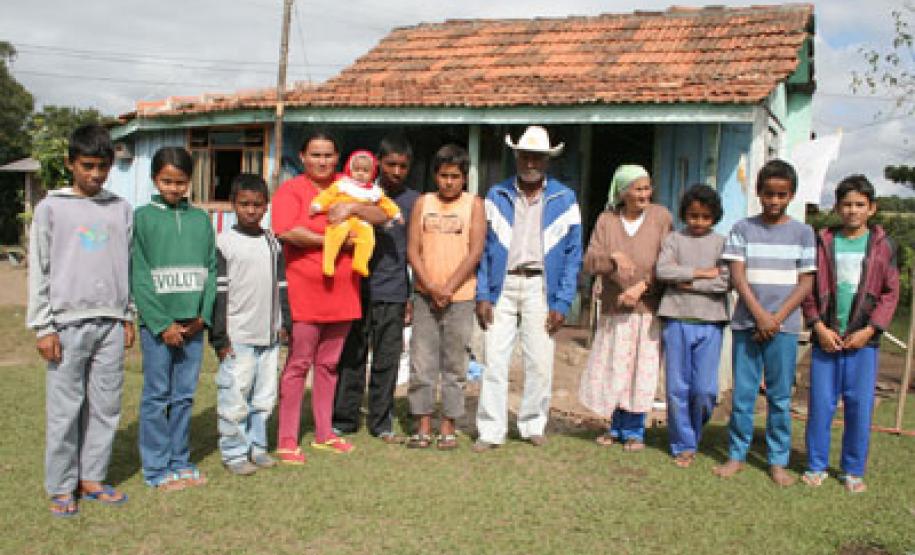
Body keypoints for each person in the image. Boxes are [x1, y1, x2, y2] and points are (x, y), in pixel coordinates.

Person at [27, 124, 133, 517]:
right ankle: (60, 484)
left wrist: (127, 314)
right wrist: (44, 326)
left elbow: (126, 263)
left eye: (102, 167)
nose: (95, 174)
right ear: (70, 163)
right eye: (87, 166)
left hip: (111, 322)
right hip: (66, 323)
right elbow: (39, 268)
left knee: (106, 405)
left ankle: (92, 477)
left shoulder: (120, 208)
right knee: (65, 408)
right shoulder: (51, 207)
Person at [272, 130, 388, 462]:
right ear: (303, 157)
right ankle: (287, 438)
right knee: (298, 363)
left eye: (328, 155)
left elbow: (382, 214)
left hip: (344, 289)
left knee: (329, 364)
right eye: (315, 155)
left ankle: (325, 432)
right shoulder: (291, 190)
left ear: (338, 158)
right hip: (305, 290)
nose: (322, 161)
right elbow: (287, 231)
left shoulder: (350, 184)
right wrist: (334, 241)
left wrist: (353, 207)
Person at [474, 126, 582, 451]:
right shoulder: (497, 195)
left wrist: (562, 302)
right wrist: (482, 294)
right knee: (494, 359)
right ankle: (491, 430)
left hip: (541, 286)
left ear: (547, 160)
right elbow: (481, 248)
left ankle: (533, 424)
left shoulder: (565, 199)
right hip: (502, 286)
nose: (531, 163)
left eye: (537, 157)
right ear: (516, 157)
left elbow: (573, 255)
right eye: (525, 156)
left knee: (540, 361)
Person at [714, 159, 815, 487]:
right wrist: (759, 315)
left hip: (784, 328)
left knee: (780, 397)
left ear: (791, 195)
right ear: (758, 193)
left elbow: (806, 282)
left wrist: (776, 318)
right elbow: (737, 276)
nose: (774, 200)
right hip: (747, 324)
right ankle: (737, 454)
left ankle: (777, 460)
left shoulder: (803, 233)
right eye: (769, 194)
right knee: (743, 394)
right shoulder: (742, 229)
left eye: (781, 195)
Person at [801, 175, 899, 493]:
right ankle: (816, 465)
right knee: (821, 404)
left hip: (863, 342)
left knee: (859, 406)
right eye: (846, 204)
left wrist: (870, 329)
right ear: (837, 207)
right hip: (826, 338)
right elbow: (808, 289)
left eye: (859, 204)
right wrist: (818, 326)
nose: (852, 210)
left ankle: (853, 470)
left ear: (872, 208)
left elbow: (890, 293)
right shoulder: (823, 242)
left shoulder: (884, 246)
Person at [132, 146, 216, 490]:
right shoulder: (142, 218)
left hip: (193, 326)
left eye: (180, 182)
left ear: (189, 181)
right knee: (157, 396)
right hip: (159, 328)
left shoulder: (200, 220)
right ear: (155, 179)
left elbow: (212, 269)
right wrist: (161, 323)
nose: (174, 188)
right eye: (167, 181)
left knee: (183, 396)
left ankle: (179, 460)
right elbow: (139, 274)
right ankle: (156, 468)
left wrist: (203, 316)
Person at [578, 165, 672, 451]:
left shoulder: (660, 217)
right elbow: (590, 261)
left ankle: (634, 430)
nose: (644, 194)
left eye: (647, 188)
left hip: (646, 309)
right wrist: (613, 258)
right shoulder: (606, 221)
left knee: (641, 370)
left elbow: (667, 260)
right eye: (638, 189)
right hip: (614, 309)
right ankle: (615, 427)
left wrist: (641, 287)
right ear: (622, 192)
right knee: (616, 367)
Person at [332, 137, 418, 443]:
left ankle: (381, 421)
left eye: (403, 166)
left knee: (387, 358)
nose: (396, 171)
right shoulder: (359, 191)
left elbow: (415, 251)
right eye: (391, 164)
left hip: (393, 290)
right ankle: (344, 418)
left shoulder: (414, 201)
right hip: (356, 286)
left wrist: (410, 295)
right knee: (352, 355)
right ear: (378, 163)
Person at [210, 174, 292, 475]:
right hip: (238, 336)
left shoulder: (272, 242)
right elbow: (219, 293)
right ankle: (234, 453)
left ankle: (258, 447)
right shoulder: (224, 243)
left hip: (268, 336)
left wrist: (285, 322)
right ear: (233, 205)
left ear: (266, 206)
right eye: (244, 204)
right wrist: (220, 337)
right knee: (235, 398)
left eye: (257, 205)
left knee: (264, 398)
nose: (251, 210)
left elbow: (281, 286)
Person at [406, 144, 485, 449]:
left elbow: (475, 251)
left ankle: (449, 425)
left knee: (455, 363)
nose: (449, 182)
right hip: (425, 296)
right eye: (443, 175)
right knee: (422, 361)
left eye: (455, 176)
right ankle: (423, 424)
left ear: (464, 178)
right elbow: (413, 250)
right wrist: (430, 286)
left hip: (460, 297)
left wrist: (449, 287)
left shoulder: (474, 205)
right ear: (435, 176)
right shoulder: (423, 203)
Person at [655, 184, 729, 467]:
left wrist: (686, 283)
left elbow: (725, 281)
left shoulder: (722, 243)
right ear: (684, 214)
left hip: (711, 322)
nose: (698, 222)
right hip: (676, 319)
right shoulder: (674, 240)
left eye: (705, 217)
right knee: (677, 388)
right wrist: (701, 273)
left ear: (715, 216)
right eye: (693, 216)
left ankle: (694, 431)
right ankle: (683, 443)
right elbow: (663, 271)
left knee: (704, 389)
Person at [310, 150, 402, 277]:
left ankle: (360, 262)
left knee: (368, 238)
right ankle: (329, 262)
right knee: (335, 236)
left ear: (372, 173)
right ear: (350, 169)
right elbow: (327, 196)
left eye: (365, 171)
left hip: (360, 221)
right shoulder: (342, 184)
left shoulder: (374, 191)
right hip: (342, 220)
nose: (360, 174)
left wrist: (396, 214)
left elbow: (386, 203)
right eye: (357, 169)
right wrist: (318, 205)